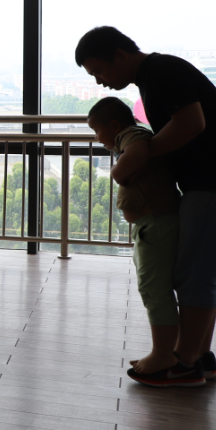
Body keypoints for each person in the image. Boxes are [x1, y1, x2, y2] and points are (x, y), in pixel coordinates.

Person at [76, 26, 216, 385]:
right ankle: (199, 355)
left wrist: (141, 155)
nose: (99, 81)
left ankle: (183, 363)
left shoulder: (161, 73)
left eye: (99, 71)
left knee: (195, 274)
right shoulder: (156, 74)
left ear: (120, 55)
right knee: (198, 272)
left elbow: (192, 122)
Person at [87, 96, 183, 382]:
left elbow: (138, 151)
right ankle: (168, 350)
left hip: (156, 225)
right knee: (154, 288)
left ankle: (163, 354)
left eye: (97, 131)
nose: (97, 138)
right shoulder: (131, 135)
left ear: (115, 126)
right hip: (150, 225)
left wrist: (118, 172)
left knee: (155, 290)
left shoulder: (133, 134)